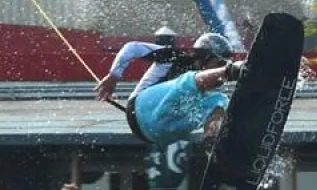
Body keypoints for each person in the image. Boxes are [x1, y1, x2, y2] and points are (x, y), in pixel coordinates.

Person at [94, 32, 245, 149]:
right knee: (190, 80)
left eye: (225, 65)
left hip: (159, 133)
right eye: (220, 63)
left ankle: (212, 146)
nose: (220, 67)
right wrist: (113, 76)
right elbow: (132, 48)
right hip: (141, 109)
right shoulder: (175, 56)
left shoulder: (207, 88)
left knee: (220, 101)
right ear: (205, 57)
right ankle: (235, 71)